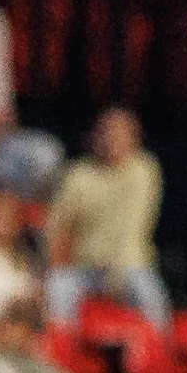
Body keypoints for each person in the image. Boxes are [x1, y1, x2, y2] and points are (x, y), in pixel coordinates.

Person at [42, 109, 164, 332]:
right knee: (57, 286)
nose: (112, 139)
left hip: (130, 267)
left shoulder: (144, 169)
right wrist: (56, 266)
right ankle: (60, 352)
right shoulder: (78, 174)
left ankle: (161, 353)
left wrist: (116, 271)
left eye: (121, 133)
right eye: (107, 132)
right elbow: (57, 228)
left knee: (149, 293)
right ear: (95, 136)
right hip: (86, 269)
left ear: (134, 138)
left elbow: (131, 228)